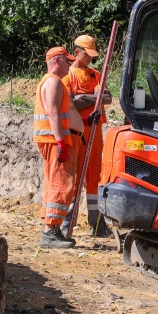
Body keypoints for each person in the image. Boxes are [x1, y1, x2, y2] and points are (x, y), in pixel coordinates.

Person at [61, 34, 113, 237]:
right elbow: (71, 102)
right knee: (72, 178)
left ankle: (97, 222)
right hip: (76, 133)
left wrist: (84, 98)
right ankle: (67, 222)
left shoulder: (96, 75)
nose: (91, 58)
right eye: (87, 54)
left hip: (95, 132)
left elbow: (107, 98)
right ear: (76, 52)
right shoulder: (67, 76)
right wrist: (94, 99)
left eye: (93, 54)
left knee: (94, 177)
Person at [34, 46, 85, 249]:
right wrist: (61, 142)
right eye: (67, 60)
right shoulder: (53, 82)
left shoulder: (51, 82)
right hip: (57, 142)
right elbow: (53, 113)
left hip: (55, 140)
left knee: (55, 182)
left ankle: (52, 229)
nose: (71, 64)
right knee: (60, 184)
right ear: (56, 61)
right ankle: (49, 233)